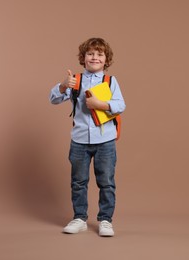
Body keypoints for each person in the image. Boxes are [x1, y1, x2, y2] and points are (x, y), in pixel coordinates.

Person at [49, 38, 126, 237]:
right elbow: (54, 99)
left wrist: (102, 105)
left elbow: (121, 105)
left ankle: (106, 220)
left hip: (105, 141)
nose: (94, 57)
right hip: (79, 140)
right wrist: (64, 86)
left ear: (106, 59)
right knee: (78, 181)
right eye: (90, 54)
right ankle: (80, 218)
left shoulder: (110, 81)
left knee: (106, 182)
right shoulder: (76, 80)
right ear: (83, 58)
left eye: (99, 54)